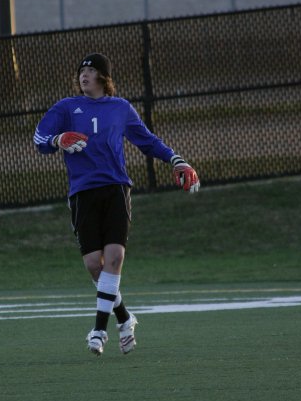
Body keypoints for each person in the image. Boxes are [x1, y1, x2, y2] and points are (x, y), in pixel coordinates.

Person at [33, 53, 200, 357]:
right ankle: (124, 318)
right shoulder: (67, 107)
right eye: (82, 69)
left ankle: (99, 330)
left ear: (104, 77)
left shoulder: (119, 108)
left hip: (115, 189)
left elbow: (147, 140)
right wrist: (58, 139)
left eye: (92, 70)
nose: (85, 74)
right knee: (94, 267)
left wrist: (175, 159)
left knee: (114, 257)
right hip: (83, 193)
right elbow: (39, 138)